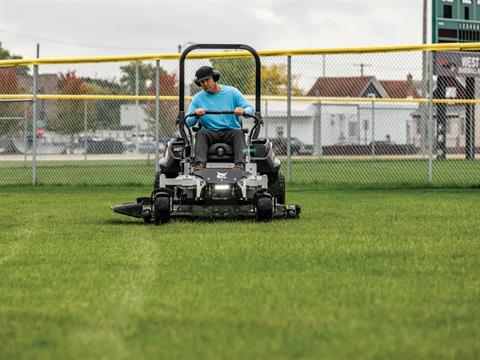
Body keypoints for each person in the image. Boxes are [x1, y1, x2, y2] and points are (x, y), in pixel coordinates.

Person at [186, 65, 254, 172]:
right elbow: (188, 122)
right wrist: (196, 115)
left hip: (231, 131)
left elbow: (251, 110)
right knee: (200, 134)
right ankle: (199, 165)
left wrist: (244, 111)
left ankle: (240, 165)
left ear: (214, 78)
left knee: (239, 133)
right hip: (209, 133)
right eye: (201, 82)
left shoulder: (232, 92)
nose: (205, 84)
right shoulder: (197, 98)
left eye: (207, 80)